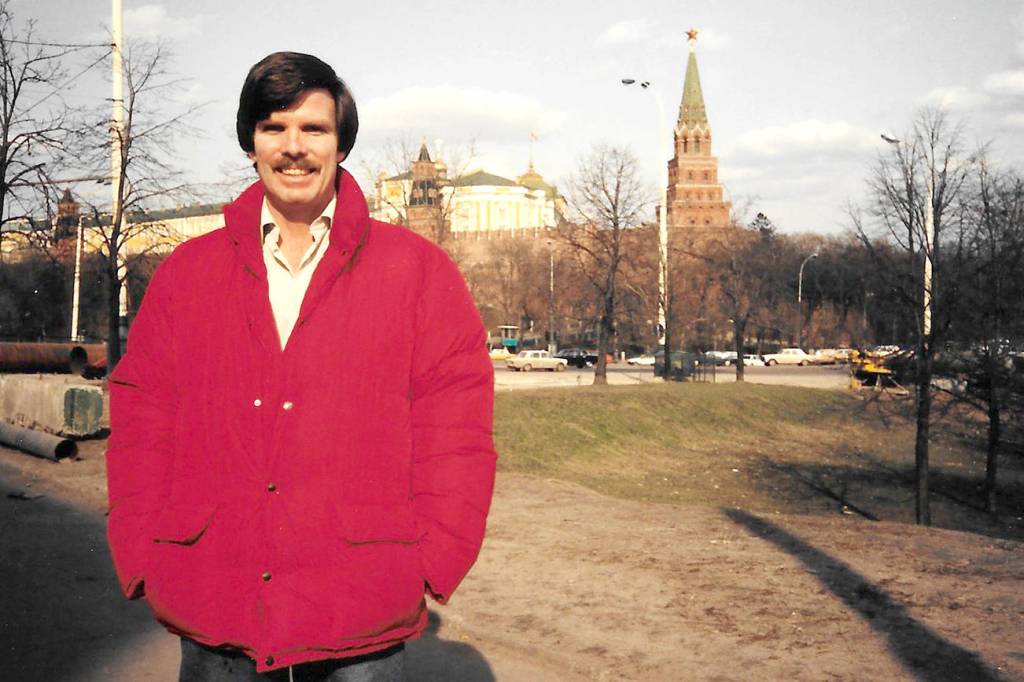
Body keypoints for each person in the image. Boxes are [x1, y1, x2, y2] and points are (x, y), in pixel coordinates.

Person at [105, 51, 497, 681]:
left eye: (313, 128)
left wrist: (432, 562)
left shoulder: (416, 272)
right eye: (274, 127)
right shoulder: (188, 274)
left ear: (341, 143)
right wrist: (143, 550)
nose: (294, 147)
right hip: (216, 600)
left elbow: (456, 428)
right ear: (251, 142)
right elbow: (143, 416)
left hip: (358, 610)